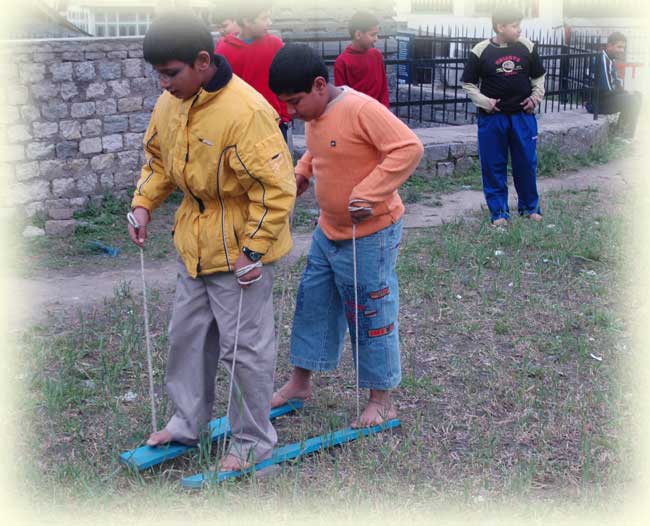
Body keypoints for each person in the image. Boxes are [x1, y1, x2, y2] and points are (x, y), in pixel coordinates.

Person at [127, 13, 296, 472]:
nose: (163, 84)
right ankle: (186, 422)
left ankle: (252, 441)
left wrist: (253, 250)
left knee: (243, 350)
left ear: (203, 61)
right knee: (186, 338)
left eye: (170, 72)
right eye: (157, 74)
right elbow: (159, 161)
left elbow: (277, 188)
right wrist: (143, 204)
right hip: (193, 246)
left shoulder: (247, 112)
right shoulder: (170, 104)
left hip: (241, 251)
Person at [268, 44, 423, 427]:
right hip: (328, 231)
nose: (291, 112)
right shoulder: (315, 113)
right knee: (313, 303)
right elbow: (319, 151)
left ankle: (381, 399)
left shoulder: (361, 109)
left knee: (370, 310)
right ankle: (300, 383)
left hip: (371, 234)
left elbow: (408, 148)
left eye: (296, 101)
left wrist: (368, 193)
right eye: (285, 104)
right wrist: (303, 171)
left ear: (320, 85)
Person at [461, 5, 546, 226]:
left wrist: (535, 98)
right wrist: (484, 102)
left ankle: (530, 208)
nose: (519, 30)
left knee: (526, 163)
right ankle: (499, 213)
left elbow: (539, 78)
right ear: (500, 27)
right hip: (493, 119)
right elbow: (468, 83)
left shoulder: (527, 47)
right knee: (493, 165)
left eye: (520, 25)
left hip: (522, 117)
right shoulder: (480, 51)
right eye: (515, 26)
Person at [215, 1, 292, 141]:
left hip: (274, 122)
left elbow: (287, 80)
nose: (269, 22)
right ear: (246, 21)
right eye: (264, 18)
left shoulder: (275, 45)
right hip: (240, 126)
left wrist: (285, 116)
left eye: (269, 17)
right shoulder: (223, 50)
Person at [586, 31, 642, 140]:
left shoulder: (610, 59)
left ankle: (622, 132)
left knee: (637, 95)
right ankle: (623, 136)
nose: (622, 50)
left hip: (606, 98)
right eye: (619, 47)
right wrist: (626, 94)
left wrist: (627, 92)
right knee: (630, 99)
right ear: (609, 45)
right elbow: (607, 89)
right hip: (597, 102)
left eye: (623, 47)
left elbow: (616, 84)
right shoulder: (601, 59)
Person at [334, 10, 390, 108]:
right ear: (358, 34)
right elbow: (341, 98)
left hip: (378, 113)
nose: (376, 39)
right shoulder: (342, 62)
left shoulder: (376, 56)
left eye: (377, 34)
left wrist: (385, 112)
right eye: (372, 34)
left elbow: (383, 89)